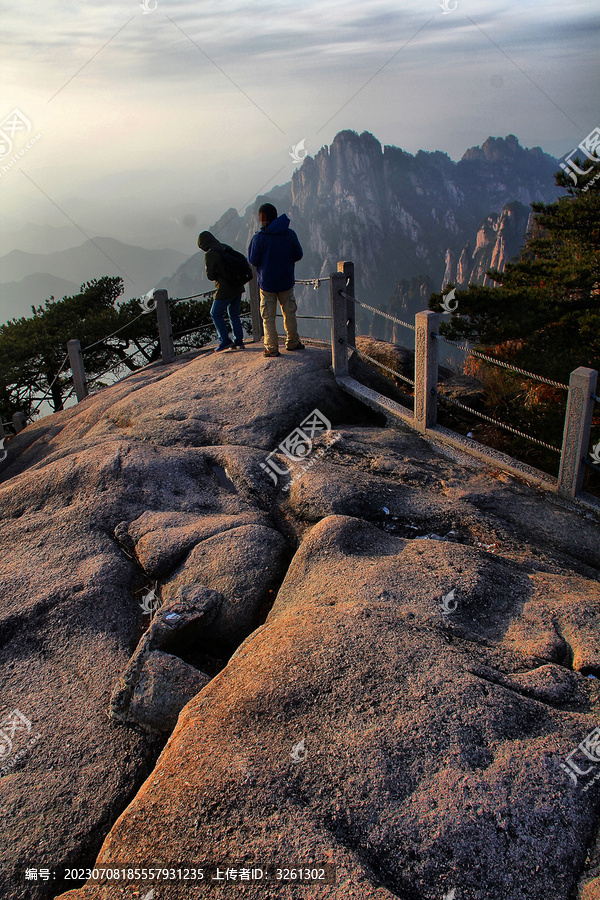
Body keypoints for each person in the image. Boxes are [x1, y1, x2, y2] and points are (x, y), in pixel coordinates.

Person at [248, 203, 304, 358]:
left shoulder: (259, 238)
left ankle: (272, 348)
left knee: (268, 317)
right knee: (289, 313)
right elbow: (298, 254)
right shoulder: (289, 234)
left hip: (267, 284)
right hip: (286, 281)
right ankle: (293, 342)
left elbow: (253, 259)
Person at [197, 231, 246, 352]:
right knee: (234, 314)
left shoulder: (210, 254)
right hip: (238, 286)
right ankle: (239, 341)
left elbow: (211, 276)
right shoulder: (225, 247)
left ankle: (224, 340)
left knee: (215, 313)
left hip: (225, 289)